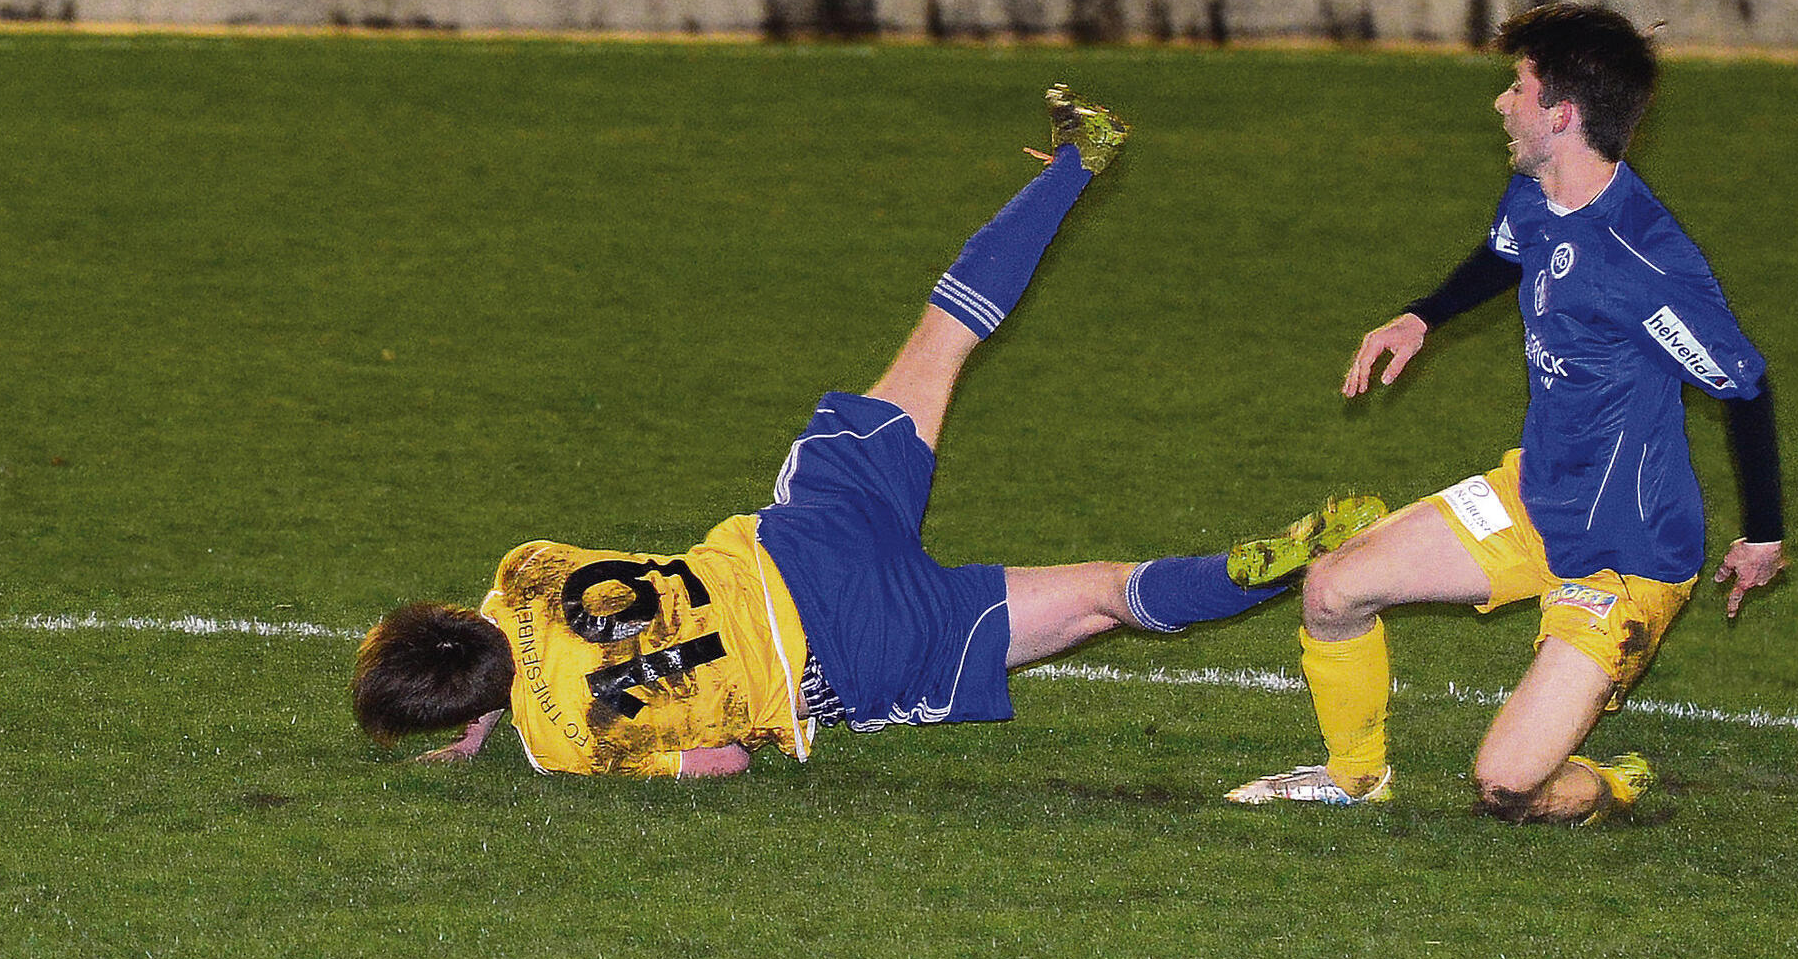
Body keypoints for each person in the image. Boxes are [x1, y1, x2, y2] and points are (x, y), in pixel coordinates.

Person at [353, 87, 1386, 777]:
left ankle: (1285, 558)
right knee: (942, 338)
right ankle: (1077, 162)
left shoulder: (570, 745)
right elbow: (511, 630)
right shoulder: (524, 572)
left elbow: (725, 761)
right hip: (805, 540)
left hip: (856, 648)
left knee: (1101, 597)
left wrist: (499, 724)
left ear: (463, 713)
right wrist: (487, 683)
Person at [1226, 1, 1788, 824]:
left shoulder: (1643, 263)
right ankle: (1354, 775)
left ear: (1561, 115)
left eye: (1517, 87)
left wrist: (1764, 534)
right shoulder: (1536, 192)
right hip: (1533, 497)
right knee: (1333, 588)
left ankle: (1614, 780)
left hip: (1625, 556)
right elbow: (1505, 256)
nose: (1501, 102)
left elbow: (1743, 385)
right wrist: (1421, 316)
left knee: (1507, 788)